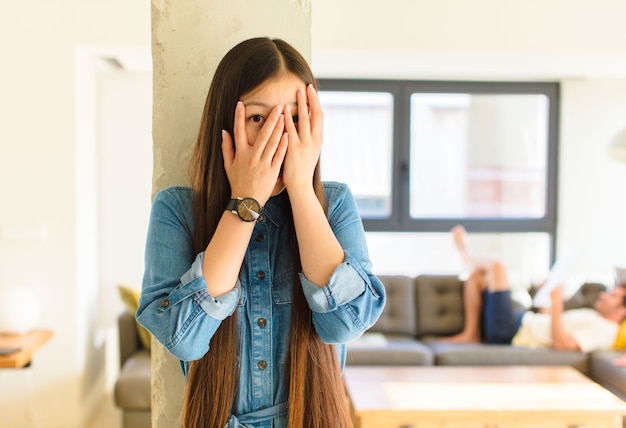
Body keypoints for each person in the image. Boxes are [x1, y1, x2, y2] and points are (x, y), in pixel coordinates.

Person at [136, 37, 386, 428]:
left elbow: (346, 323)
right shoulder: (177, 210)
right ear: (227, 123)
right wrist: (245, 201)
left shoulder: (334, 204)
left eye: (295, 119)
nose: (279, 136)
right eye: (258, 118)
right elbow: (183, 338)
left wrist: (302, 188)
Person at [443, 225, 626, 352]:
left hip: (512, 332)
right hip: (520, 323)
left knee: (498, 267)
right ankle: (471, 333)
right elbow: (547, 324)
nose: (604, 295)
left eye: (612, 296)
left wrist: (556, 305)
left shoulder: (606, 330)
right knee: (477, 276)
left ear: (622, 311)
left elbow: (562, 345)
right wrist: (547, 297)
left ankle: (467, 255)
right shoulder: (594, 316)